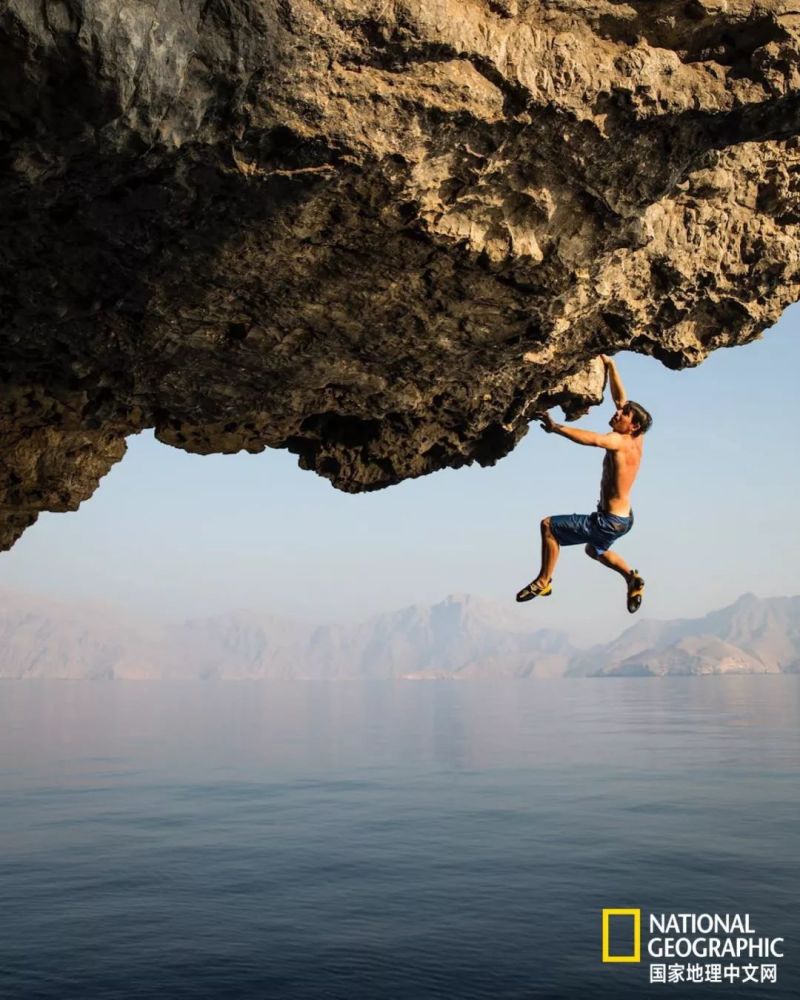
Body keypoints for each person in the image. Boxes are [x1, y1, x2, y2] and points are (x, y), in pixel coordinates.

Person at [515, 355, 652, 613]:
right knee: (595, 549)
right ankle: (631, 578)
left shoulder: (618, 441)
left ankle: (544, 581)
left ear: (632, 425)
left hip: (609, 520)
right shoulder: (637, 438)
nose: (618, 412)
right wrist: (611, 366)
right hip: (623, 519)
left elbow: (592, 439)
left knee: (549, 526)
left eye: (624, 415)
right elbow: (621, 399)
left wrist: (556, 427)